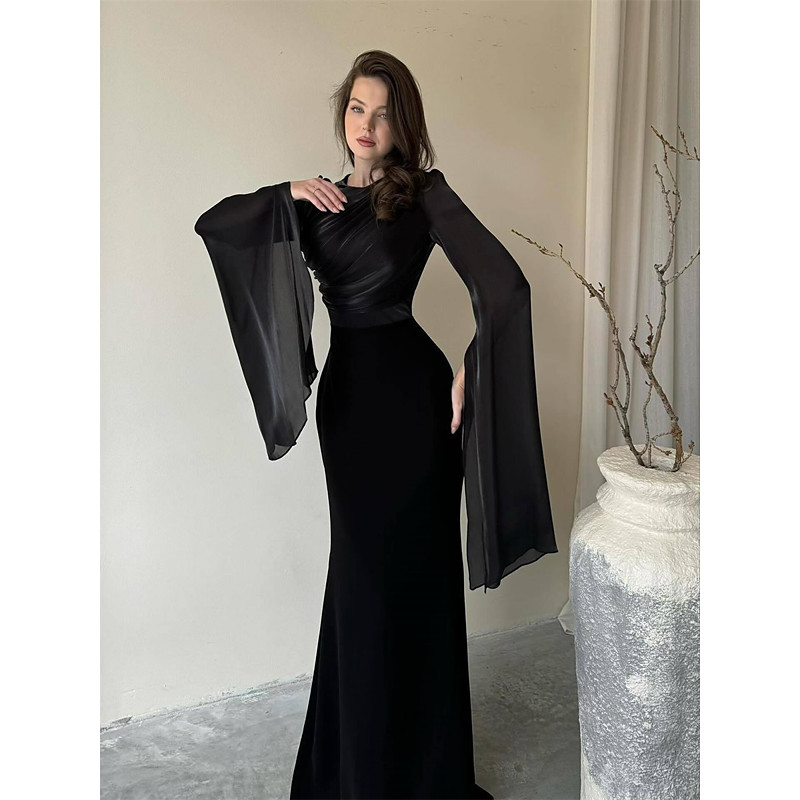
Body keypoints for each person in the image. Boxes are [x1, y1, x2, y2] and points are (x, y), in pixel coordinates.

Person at [194, 49, 557, 800]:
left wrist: (473, 364)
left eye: (383, 112)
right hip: (352, 408)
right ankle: (358, 773)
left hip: (419, 407)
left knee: (417, 584)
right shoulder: (315, 202)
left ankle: (426, 777)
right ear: (344, 115)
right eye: (357, 108)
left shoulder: (424, 194)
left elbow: (507, 287)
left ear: (403, 125)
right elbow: (215, 225)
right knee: (361, 585)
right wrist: (283, 191)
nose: (367, 124)